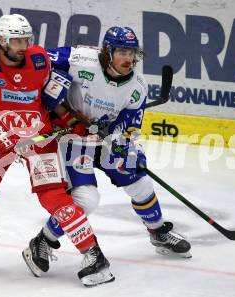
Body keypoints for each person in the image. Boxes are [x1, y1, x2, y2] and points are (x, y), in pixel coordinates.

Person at [0, 14, 114, 287]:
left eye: (26, 39)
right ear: (2, 41)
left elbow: (51, 100)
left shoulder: (39, 61)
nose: (23, 45)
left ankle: (93, 255)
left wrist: (70, 121)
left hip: (38, 138)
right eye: (16, 40)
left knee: (56, 199)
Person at [22, 26, 192, 281]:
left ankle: (157, 232)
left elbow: (131, 124)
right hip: (73, 138)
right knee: (85, 199)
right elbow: (38, 60)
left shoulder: (137, 87)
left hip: (105, 139)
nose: (128, 58)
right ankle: (42, 241)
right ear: (107, 52)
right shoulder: (80, 59)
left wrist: (124, 142)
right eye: (122, 51)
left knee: (140, 182)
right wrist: (56, 102)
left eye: (132, 53)